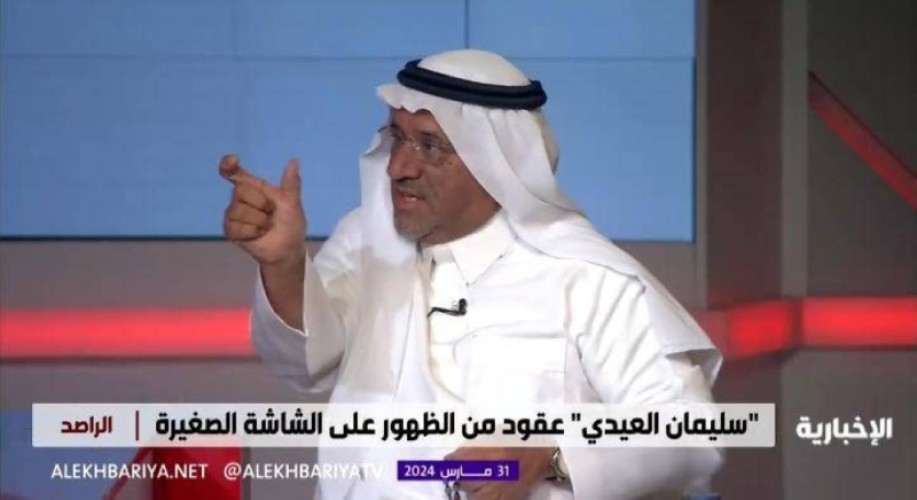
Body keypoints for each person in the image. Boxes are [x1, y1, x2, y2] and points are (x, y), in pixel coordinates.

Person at [220, 49, 723, 499]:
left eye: (430, 146)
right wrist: (284, 264)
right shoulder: (364, 240)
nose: (399, 168)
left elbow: (690, 435)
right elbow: (307, 365)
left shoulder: (588, 276)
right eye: (398, 138)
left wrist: (550, 456)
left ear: (495, 162)